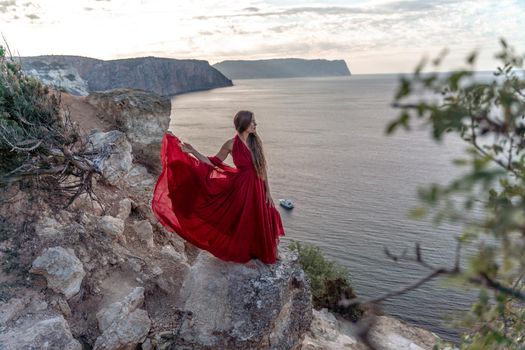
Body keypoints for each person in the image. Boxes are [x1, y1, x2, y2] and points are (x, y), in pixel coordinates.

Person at [151, 110, 285, 265]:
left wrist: (268, 191)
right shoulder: (231, 144)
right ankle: (251, 251)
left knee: (269, 214)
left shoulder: (255, 142)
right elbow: (213, 162)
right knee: (246, 219)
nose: (256, 124)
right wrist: (193, 151)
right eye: (252, 122)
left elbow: (262, 168)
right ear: (243, 124)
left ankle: (271, 251)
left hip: (258, 187)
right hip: (241, 188)